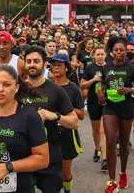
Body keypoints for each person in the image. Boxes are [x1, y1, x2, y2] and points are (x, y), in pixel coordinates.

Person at [22, 46, 79, 193]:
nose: (32, 64)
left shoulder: (56, 90)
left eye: (36, 61)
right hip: (22, 153)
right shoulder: (16, 89)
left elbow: (74, 122)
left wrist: (55, 116)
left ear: (44, 64)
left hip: (50, 153)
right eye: (28, 61)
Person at [97, 40, 134, 193]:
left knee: (123, 144)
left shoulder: (132, 68)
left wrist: (128, 90)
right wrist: (100, 93)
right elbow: (102, 84)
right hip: (110, 107)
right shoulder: (106, 67)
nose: (118, 52)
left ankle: (123, 173)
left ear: (125, 52)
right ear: (112, 52)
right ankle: (111, 181)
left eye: (121, 50)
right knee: (110, 141)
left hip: (126, 108)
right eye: (116, 50)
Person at [51, 53, 85, 193]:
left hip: (66, 133)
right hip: (48, 133)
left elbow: (82, 114)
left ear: (66, 68)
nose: (56, 68)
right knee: (49, 171)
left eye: (59, 65)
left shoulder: (74, 89)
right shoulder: (47, 86)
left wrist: (65, 110)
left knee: (65, 173)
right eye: (54, 65)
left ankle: (67, 190)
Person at [81, 46, 108, 171]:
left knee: (103, 130)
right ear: (94, 56)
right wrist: (93, 80)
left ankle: (104, 158)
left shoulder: (110, 67)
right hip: (93, 101)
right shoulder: (90, 68)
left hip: (108, 102)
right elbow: (82, 84)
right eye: (98, 54)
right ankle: (97, 148)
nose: (100, 56)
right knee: (96, 129)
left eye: (102, 54)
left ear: (105, 55)